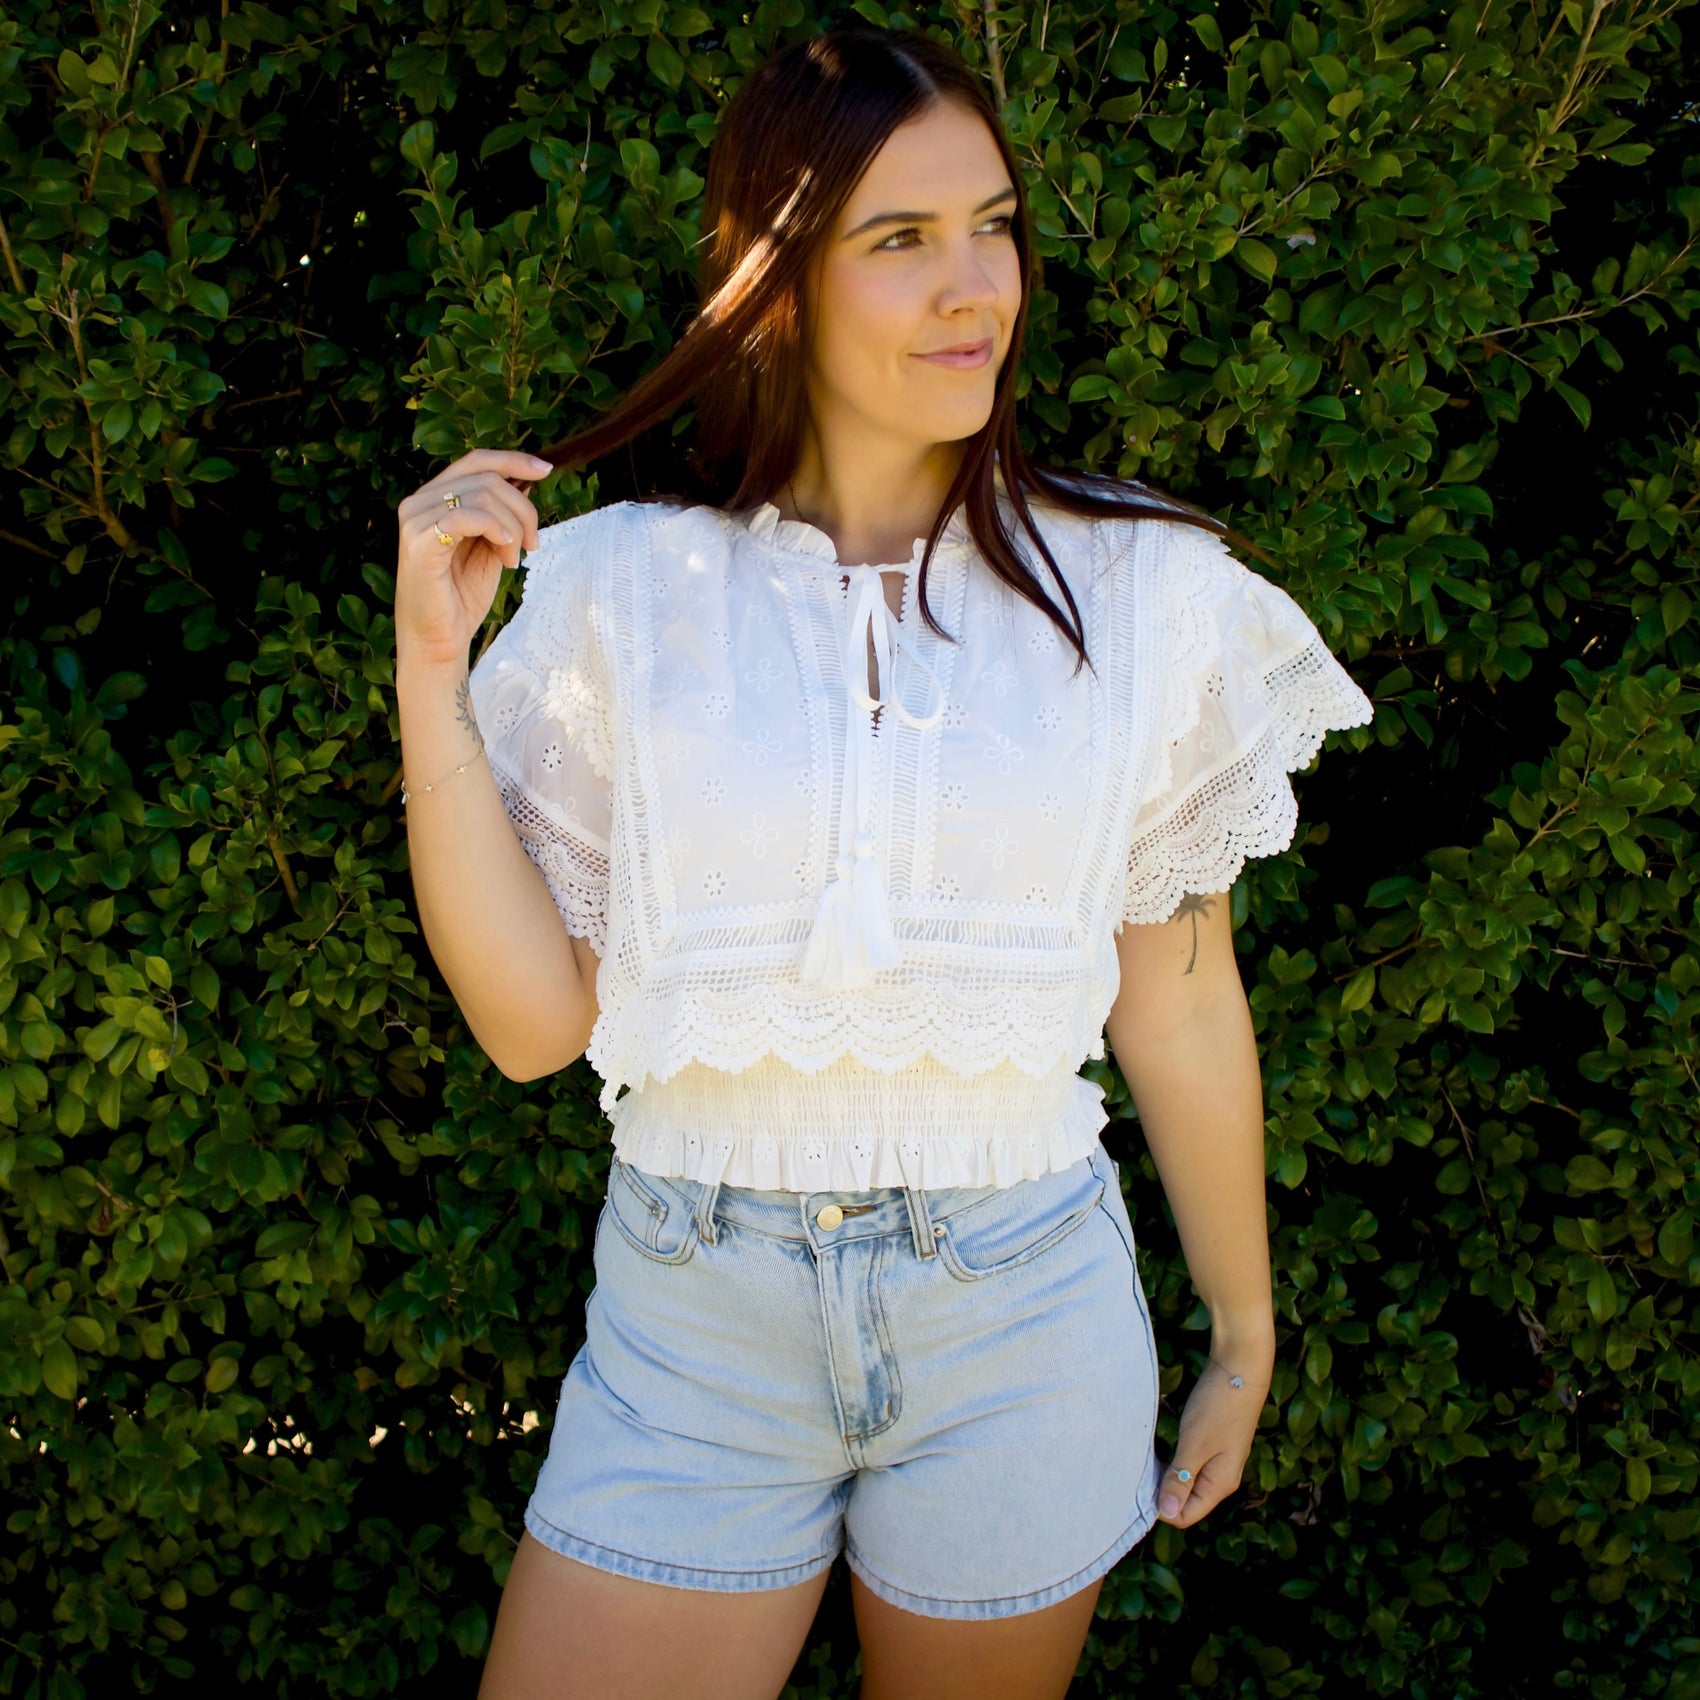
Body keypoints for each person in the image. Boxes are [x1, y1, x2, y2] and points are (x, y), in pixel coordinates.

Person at [392, 27, 1373, 1700]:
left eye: (993, 227)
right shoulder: (623, 593)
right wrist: (432, 674)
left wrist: (1246, 1330)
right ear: (776, 282)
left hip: (1022, 1316)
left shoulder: (1139, 591)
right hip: (693, 1332)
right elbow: (534, 1028)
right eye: (902, 239)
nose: (974, 286)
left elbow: (1181, 998)